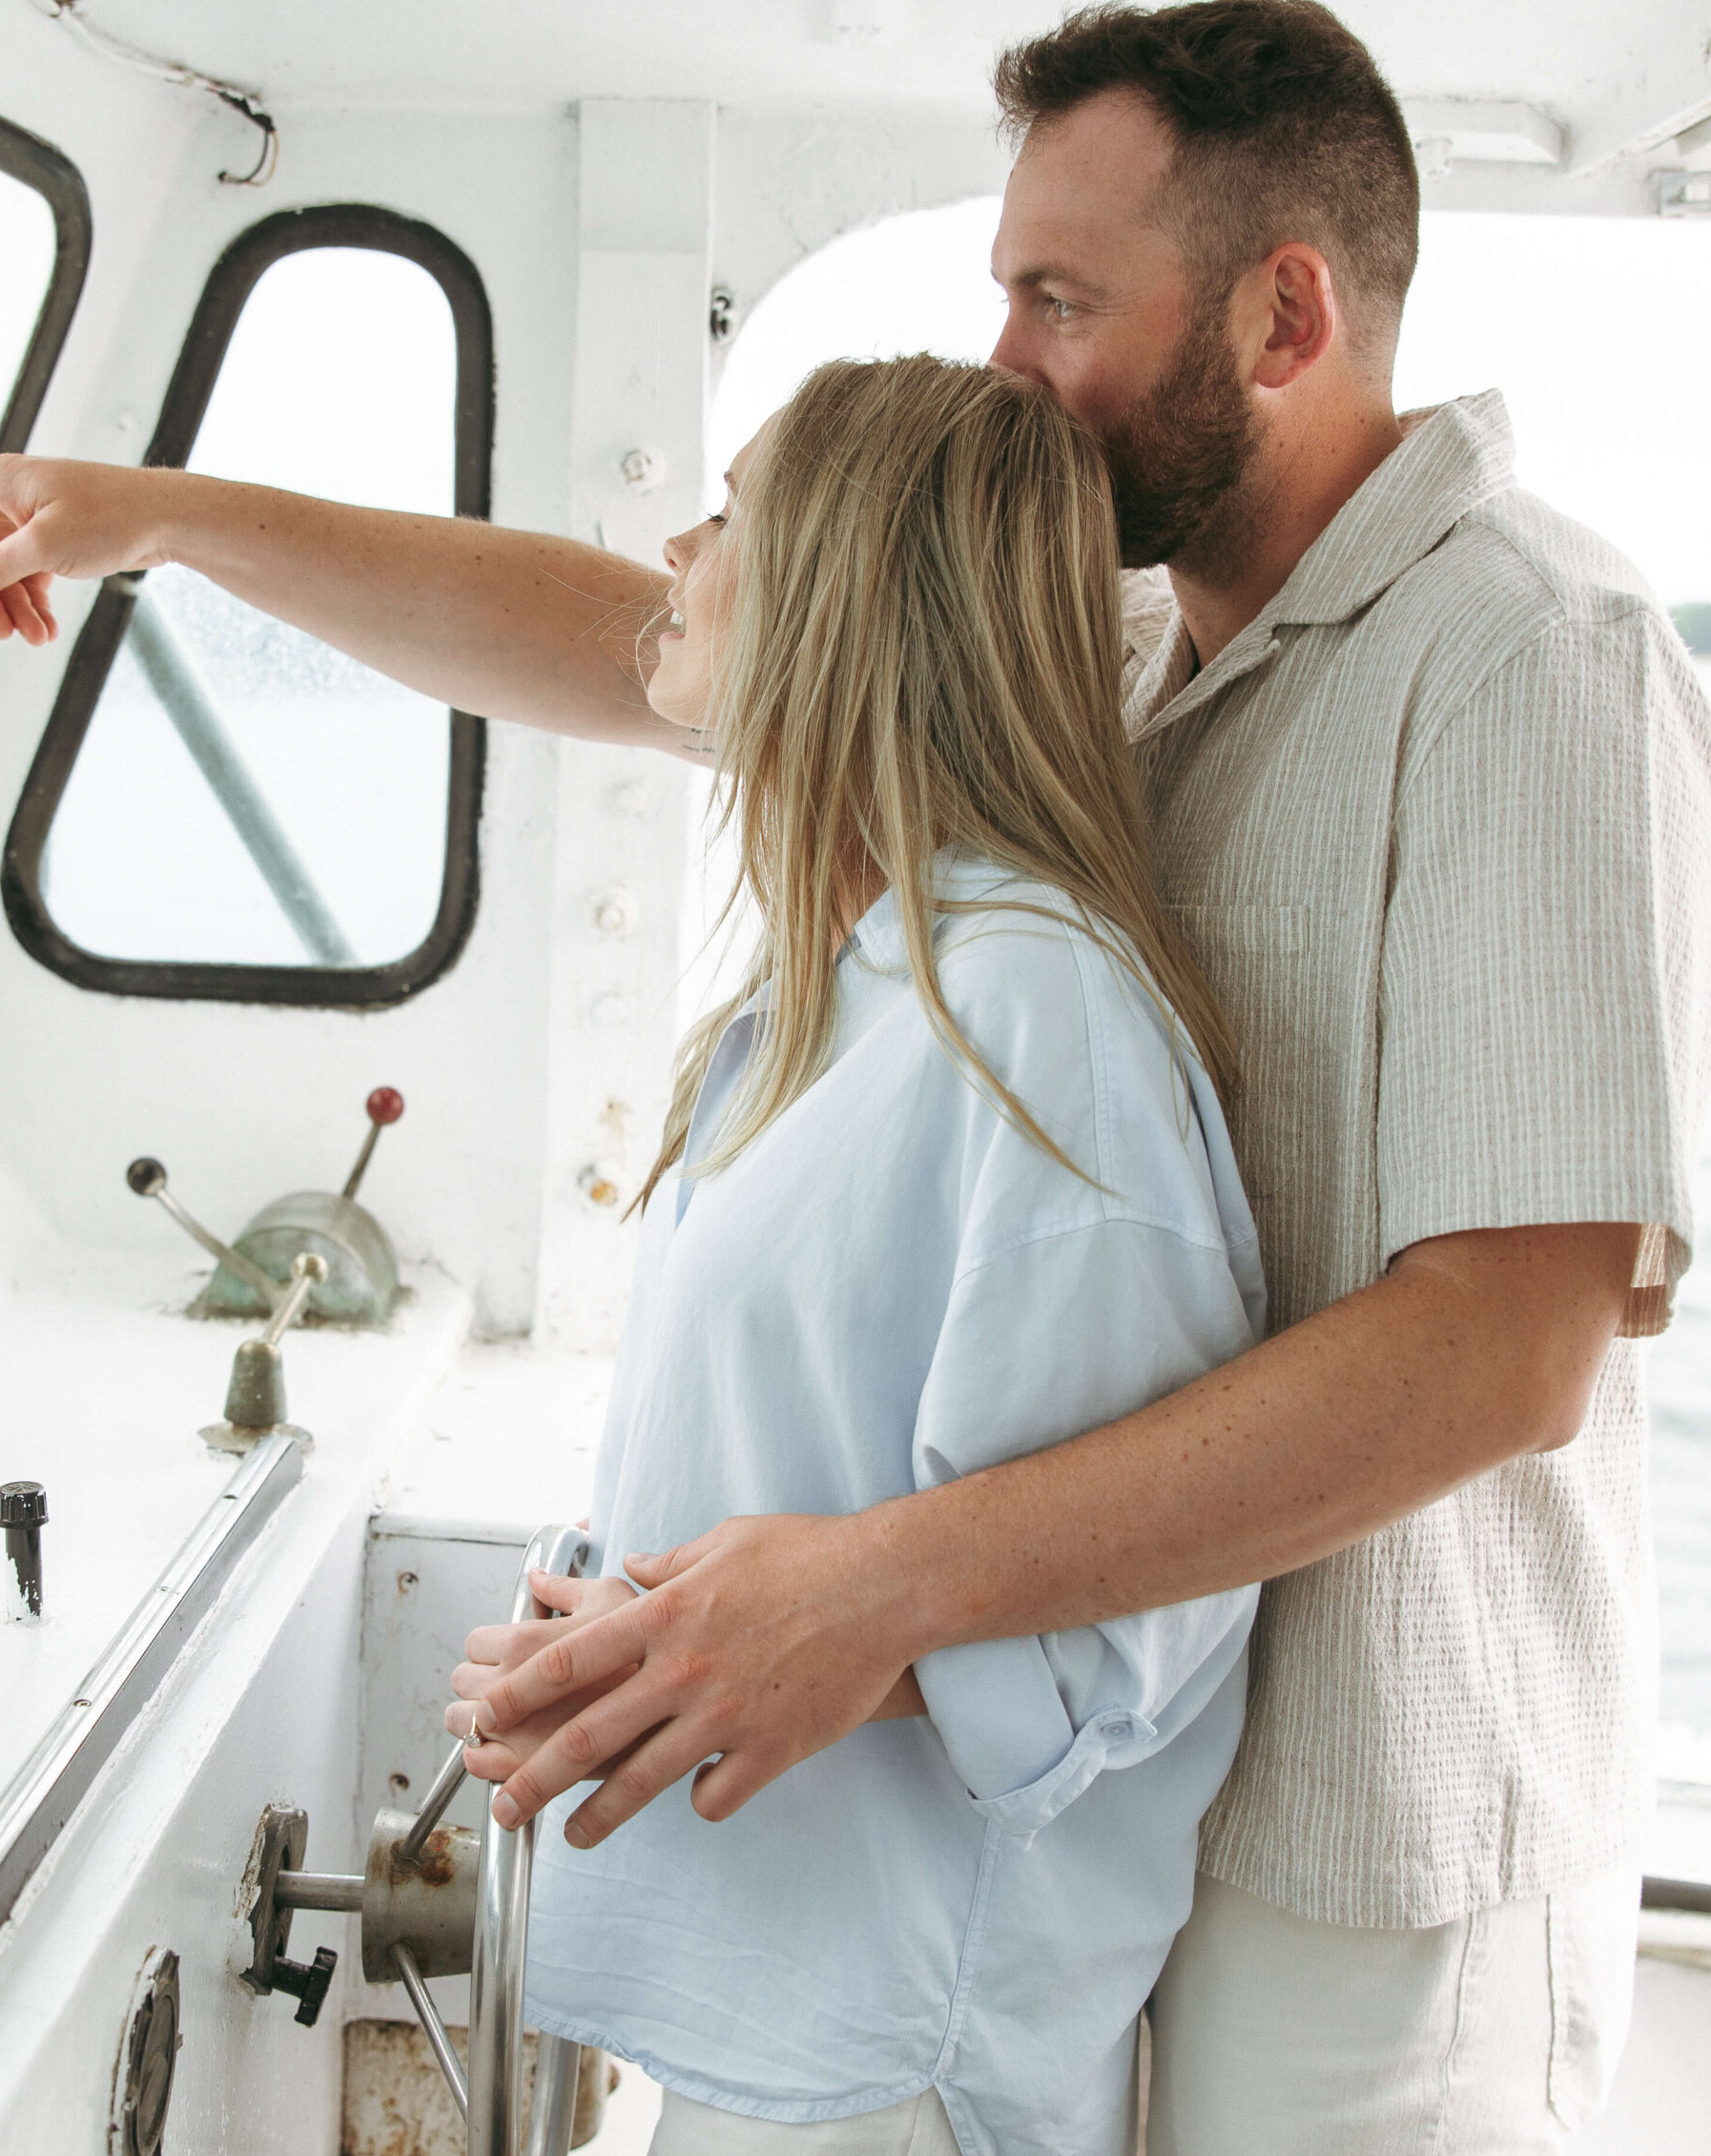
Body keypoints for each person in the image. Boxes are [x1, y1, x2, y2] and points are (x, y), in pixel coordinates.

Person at [0, 5, 1711, 2146]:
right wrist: (159, 518)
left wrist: (874, 1591)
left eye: (1061, 300)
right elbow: (654, 638)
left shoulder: (1528, 663)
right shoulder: (1132, 635)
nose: (1008, 361)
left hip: (1376, 1838)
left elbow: (1506, 1347)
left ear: (1282, 316)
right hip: (1089, 1775)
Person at [503, 351, 1264, 2154]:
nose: (677, 550)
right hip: (779, 2004)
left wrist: (706, 1654)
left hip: (902, 2055)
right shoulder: (842, 989)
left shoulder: (1034, 1019)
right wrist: (620, 1641)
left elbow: (1135, 1611)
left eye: (733, 516)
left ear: (845, 595)